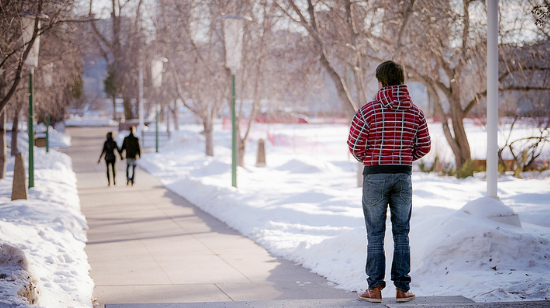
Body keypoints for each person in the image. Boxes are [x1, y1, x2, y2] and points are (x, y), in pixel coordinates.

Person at [347, 60, 431, 303]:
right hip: (403, 176)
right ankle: (402, 289)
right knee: (401, 232)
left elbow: (354, 145)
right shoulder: (415, 112)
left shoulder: (368, 111)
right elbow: (424, 146)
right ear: (402, 81)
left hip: (374, 176)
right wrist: (404, 158)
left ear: (380, 81)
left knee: (375, 233)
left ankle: (374, 289)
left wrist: (370, 158)